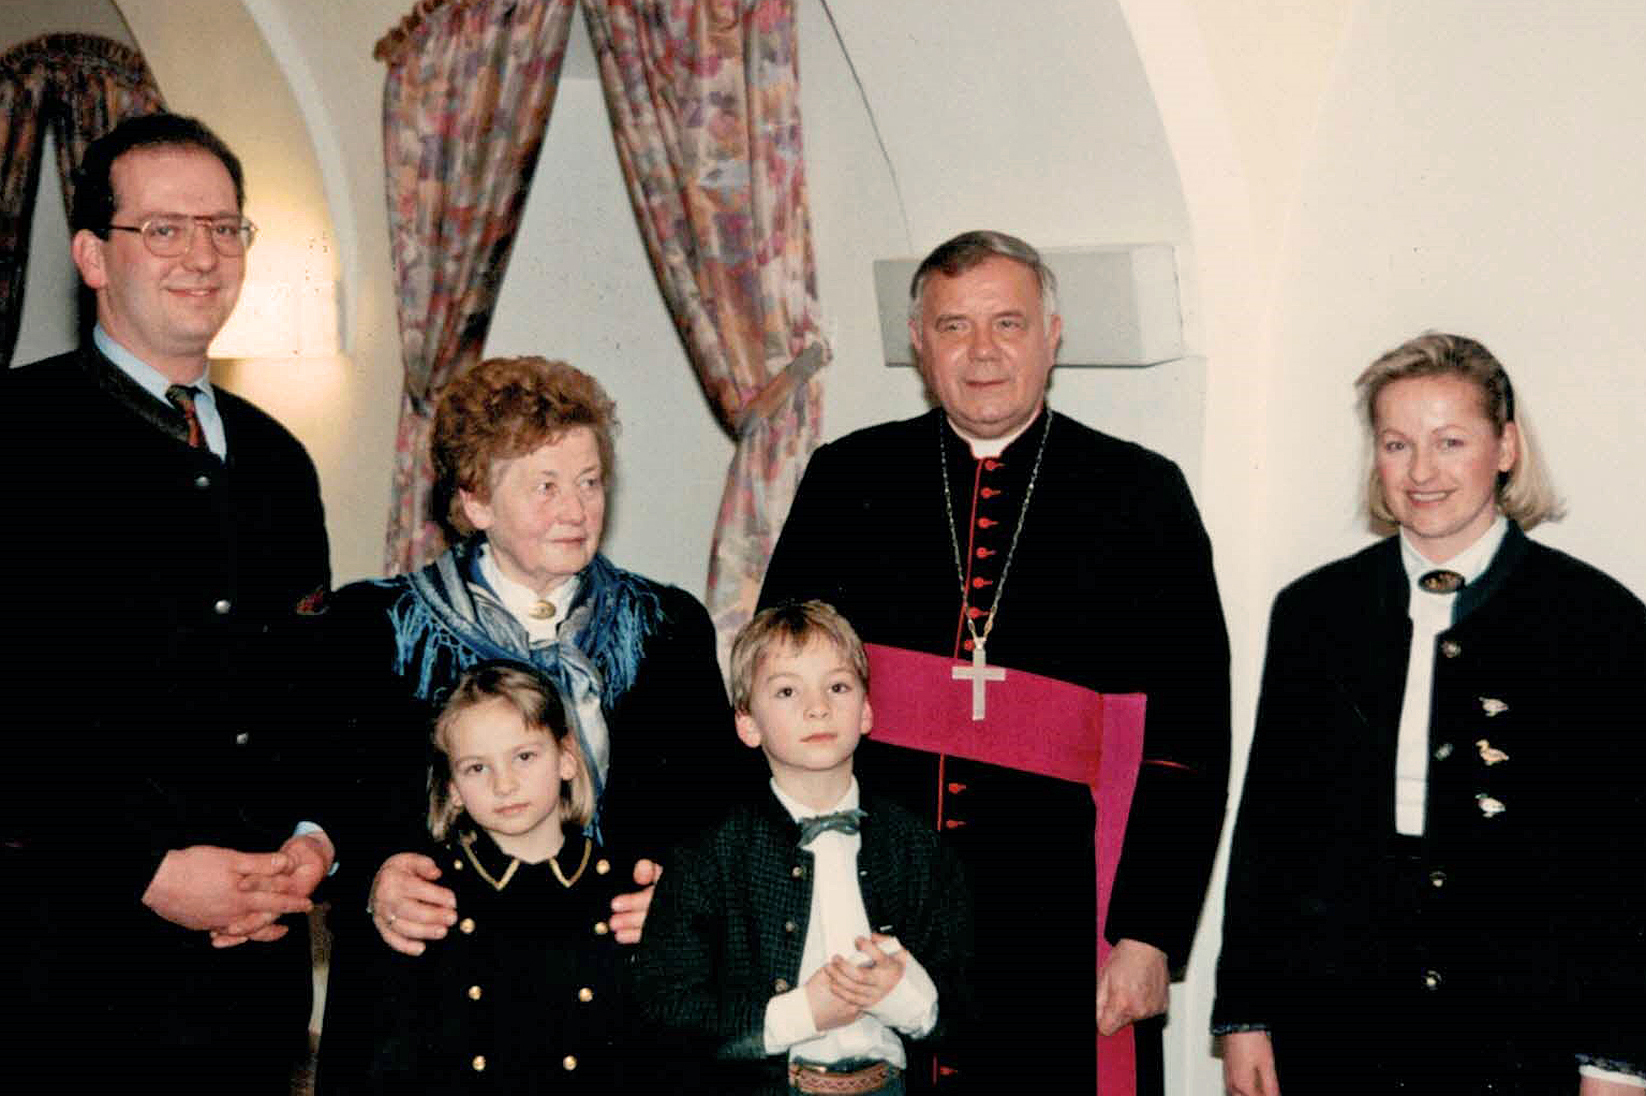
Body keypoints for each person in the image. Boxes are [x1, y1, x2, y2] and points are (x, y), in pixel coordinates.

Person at [758, 230, 1230, 1094]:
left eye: (1008, 324)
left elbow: (1187, 742)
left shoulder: (1141, 494)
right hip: (865, 899)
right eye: (954, 327)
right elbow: (773, 696)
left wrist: (1148, 932)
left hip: (1061, 911)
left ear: (1053, 335)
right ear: (918, 343)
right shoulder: (847, 477)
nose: (982, 352)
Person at [1214, 332, 1646, 1095]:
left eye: (1450, 442)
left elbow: (1621, 860)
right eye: (1397, 444)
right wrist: (1245, 1014)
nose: (1421, 472)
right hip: (1339, 1020)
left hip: (1519, 1027)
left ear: (1505, 447)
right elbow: (1271, 827)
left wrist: (1615, 1060)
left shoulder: (1595, 620)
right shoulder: (1315, 612)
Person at [0, 113, 333, 1093]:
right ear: (92, 255)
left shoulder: (279, 460)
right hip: (66, 975)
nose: (203, 255)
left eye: (224, 228)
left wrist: (313, 838)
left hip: (253, 982)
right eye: (164, 229)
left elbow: (310, 690)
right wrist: (139, 867)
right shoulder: (16, 436)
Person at [316, 355, 754, 1091]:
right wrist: (370, 878)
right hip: (438, 1005)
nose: (577, 510)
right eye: (545, 486)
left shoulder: (665, 626)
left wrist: (683, 901)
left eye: (590, 482)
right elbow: (331, 801)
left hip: (613, 1001)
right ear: (476, 502)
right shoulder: (377, 625)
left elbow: (719, 814)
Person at [636, 600, 972, 1096]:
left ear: (866, 710)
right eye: (787, 691)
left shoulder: (915, 847)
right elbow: (667, 1008)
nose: (818, 707)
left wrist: (907, 997)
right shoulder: (711, 856)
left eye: (838, 687)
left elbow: (967, 1003)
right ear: (748, 724)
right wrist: (803, 1013)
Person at [352, 661, 633, 1093]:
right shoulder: (430, 899)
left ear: (566, 758)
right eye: (477, 768)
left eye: (524, 757)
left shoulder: (620, 893)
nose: (504, 784)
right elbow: (397, 1058)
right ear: (453, 788)